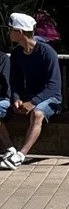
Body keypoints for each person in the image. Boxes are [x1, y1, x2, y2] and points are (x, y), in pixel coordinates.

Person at [0, 12, 62, 171]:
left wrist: (33, 102)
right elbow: (15, 81)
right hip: (28, 98)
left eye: (11, 29)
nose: (9, 33)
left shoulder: (47, 52)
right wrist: (16, 98)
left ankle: (20, 155)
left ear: (20, 32)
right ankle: (10, 150)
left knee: (38, 113)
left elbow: (53, 86)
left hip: (50, 99)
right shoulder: (16, 54)